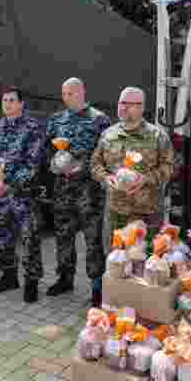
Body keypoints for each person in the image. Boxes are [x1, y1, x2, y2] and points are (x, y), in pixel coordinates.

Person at [91, 86, 175, 303]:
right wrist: (107, 178)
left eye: (128, 104)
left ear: (141, 107)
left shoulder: (157, 136)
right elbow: (95, 164)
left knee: (145, 263)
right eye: (121, 103)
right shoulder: (109, 134)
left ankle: (142, 307)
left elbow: (169, 168)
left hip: (146, 214)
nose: (122, 108)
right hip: (116, 213)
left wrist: (146, 179)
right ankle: (114, 304)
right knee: (115, 260)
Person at [45, 78, 112, 303]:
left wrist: (82, 167)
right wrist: (53, 164)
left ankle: (96, 286)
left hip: (89, 192)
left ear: (82, 92)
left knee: (93, 240)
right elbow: (46, 150)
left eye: (71, 93)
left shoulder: (99, 120)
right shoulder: (56, 119)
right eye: (64, 93)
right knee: (63, 236)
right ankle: (65, 278)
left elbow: (106, 155)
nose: (67, 97)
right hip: (63, 189)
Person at [0, 88, 46, 302]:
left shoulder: (32, 128)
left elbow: (33, 163)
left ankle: (31, 282)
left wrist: (8, 183)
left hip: (23, 194)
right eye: (4, 100)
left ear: (21, 104)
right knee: (2, 236)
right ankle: (8, 276)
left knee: (29, 239)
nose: (7, 103)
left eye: (12, 100)